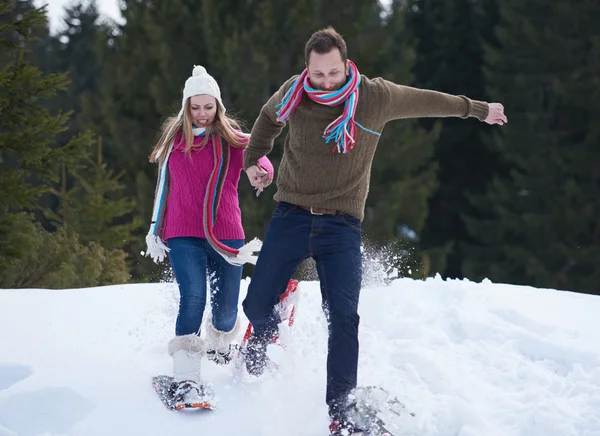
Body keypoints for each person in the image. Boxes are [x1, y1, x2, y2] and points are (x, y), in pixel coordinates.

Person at [241, 27, 507, 435]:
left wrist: (476, 108)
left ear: (346, 65)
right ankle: (269, 324)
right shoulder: (293, 92)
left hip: (341, 225)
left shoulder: (374, 97)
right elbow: (265, 122)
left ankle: (342, 411)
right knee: (255, 306)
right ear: (306, 69)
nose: (325, 82)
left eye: (332, 73)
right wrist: (254, 161)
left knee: (344, 318)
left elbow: (429, 101)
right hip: (291, 215)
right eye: (317, 75)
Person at [145, 65, 273, 404]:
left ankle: (219, 342)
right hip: (181, 232)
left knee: (226, 310)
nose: (202, 114)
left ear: (218, 106)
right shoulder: (175, 142)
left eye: (208, 106)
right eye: (195, 107)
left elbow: (257, 153)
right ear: (186, 107)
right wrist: (155, 228)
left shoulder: (232, 139)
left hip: (226, 233)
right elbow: (163, 188)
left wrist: (261, 172)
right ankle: (186, 378)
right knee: (193, 297)